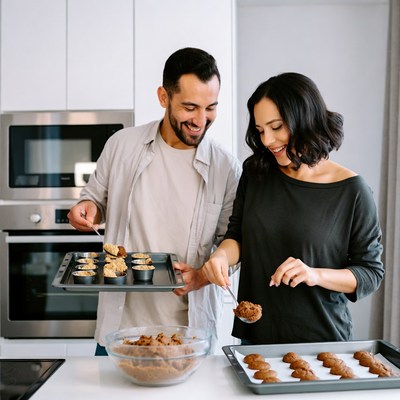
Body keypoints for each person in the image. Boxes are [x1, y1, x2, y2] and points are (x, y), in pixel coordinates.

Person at [67, 47, 241, 354]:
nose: (201, 120)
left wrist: (203, 275)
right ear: (164, 97)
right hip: (119, 332)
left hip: (189, 336)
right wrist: (88, 210)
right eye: (190, 107)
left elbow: (233, 244)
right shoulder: (122, 145)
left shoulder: (226, 167)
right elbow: (94, 201)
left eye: (210, 107)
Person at [202, 72, 384, 345]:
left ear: (305, 119)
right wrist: (220, 257)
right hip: (257, 338)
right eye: (261, 130)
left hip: (321, 342)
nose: (267, 141)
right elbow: (237, 236)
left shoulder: (353, 191)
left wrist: (314, 274)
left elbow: (371, 273)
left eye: (276, 127)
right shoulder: (255, 174)